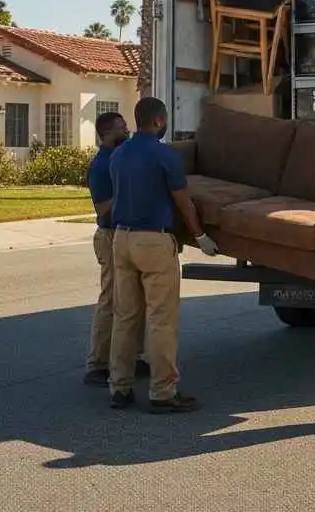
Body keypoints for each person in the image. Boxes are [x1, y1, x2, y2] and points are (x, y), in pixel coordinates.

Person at [107, 96, 218, 413]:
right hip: (154, 242)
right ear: (158, 121)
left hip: (122, 239)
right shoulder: (165, 156)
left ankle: (120, 388)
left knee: (126, 317)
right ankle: (163, 392)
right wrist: (201, 236)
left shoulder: (119, 154)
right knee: (160, 320)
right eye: (165, 119)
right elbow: (183, 202)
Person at [83, 111, 149, 387]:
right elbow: (103, 209)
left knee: (134, 299)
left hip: (126, 234)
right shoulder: (100, 167)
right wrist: (128, 191)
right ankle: (97, 364)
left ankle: (131, 357)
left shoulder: (121, 158)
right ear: (107, 133)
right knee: (111, 299)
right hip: (109, 235)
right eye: (122, 128)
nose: (128, 131)